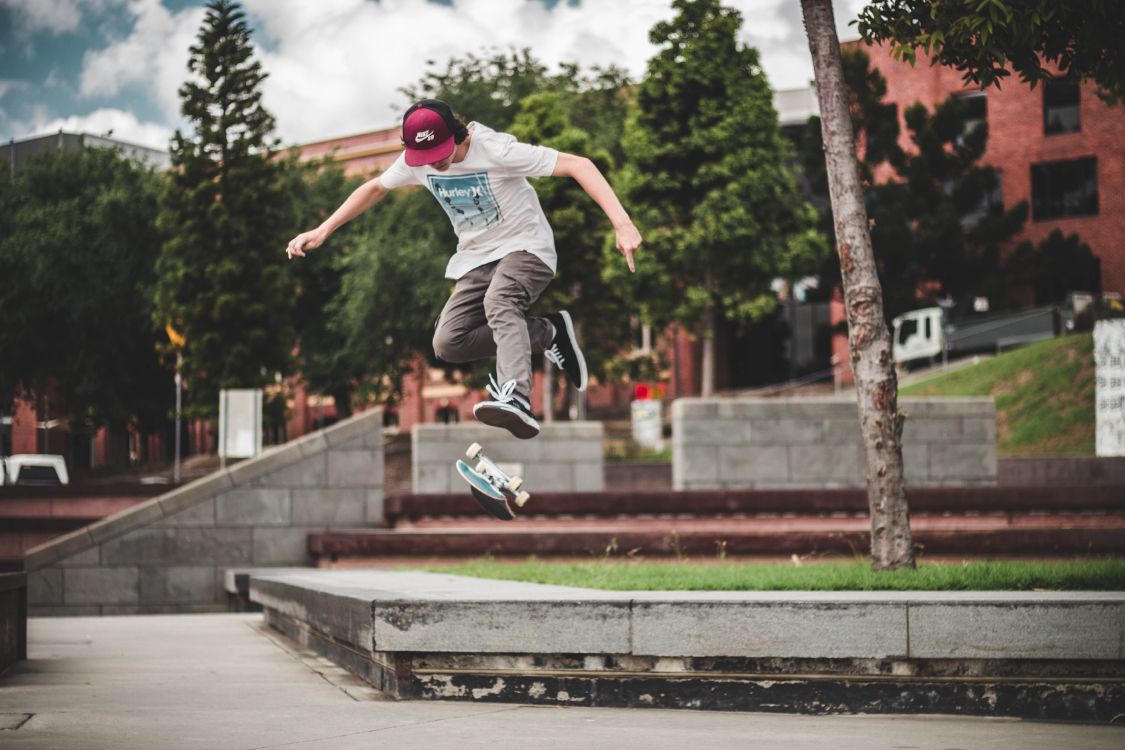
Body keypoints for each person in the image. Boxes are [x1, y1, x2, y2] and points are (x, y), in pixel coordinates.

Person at [286, 98, 642, 439]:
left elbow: (579, 165)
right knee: (448, 343)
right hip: (476, 258)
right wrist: (323, 230)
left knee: (500, 302)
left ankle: (516, 396)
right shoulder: (416, 161)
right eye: (425, 159)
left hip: (527, 248)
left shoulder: (497, 150)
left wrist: (622, 223)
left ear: (458, 135)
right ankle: (549, 333)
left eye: (441, 155)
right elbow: (376, 187)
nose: (434, 165)